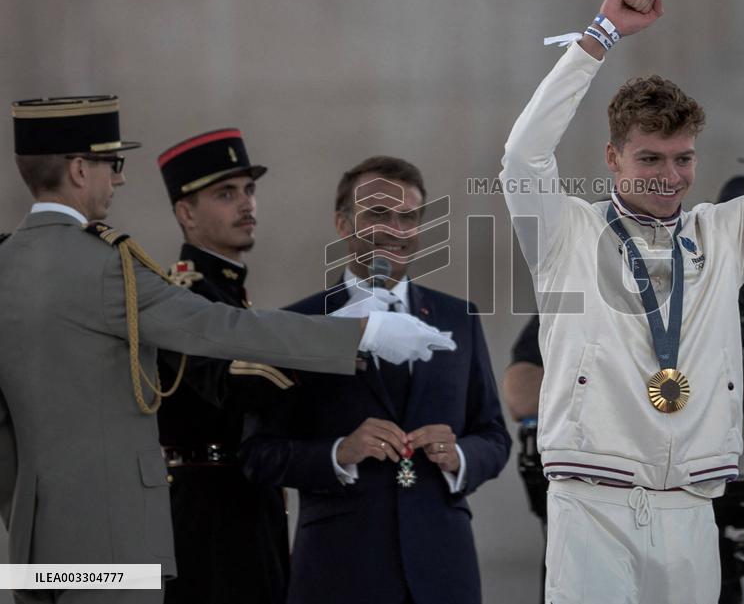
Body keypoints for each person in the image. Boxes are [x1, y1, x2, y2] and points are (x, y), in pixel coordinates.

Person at [0, 96, 454, 604]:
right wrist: (360, 332)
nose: (120, 179)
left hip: (32, 540)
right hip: (122, 535)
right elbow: (218, 330)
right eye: (112, 163)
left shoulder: (7, 261)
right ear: (80, 170)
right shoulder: (111, 267)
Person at [501, 0, 744, 603]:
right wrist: (599, 38)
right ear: (612, 157)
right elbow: (524, 156)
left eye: (683, 159)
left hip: (694, 506)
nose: (669, 177)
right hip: (592, 505)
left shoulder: (726, 233)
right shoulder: (566, 231)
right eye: (650, 158)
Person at [240, 156, 511, 604]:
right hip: (336, 572)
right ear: (343, 224)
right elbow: (258, 454)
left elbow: (495, 436)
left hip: (445, 572)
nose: (396, 230)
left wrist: (460, 455)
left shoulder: (459, 318)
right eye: (379, 214)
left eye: (409, 217)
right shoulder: (296, 323)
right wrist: (339, 453)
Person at [154, 128, 293, 604]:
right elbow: (233, 386)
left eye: (249, 190)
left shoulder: (230, 296)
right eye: (226, 193)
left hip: (248, 508)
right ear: (185, 213)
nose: (246, 204)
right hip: (205, 522)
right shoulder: (181, 298)